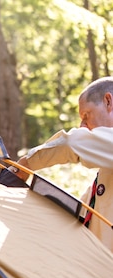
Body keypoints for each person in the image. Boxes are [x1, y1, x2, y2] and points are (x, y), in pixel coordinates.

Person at [12, 76, 113, 251]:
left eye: (86, 116)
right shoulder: (105, 168)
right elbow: (83, 215)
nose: (83, 126)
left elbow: (71, 144)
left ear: (108, 101)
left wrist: (25, 164)